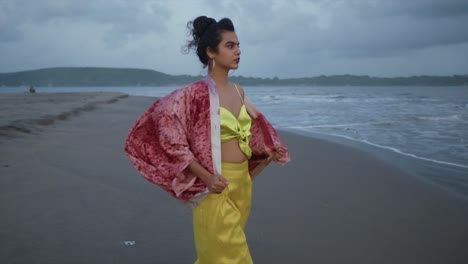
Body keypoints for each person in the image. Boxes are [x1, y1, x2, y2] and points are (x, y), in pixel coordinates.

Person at [124, 16, 290, 264]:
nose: (238, 51)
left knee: (215, 256)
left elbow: (252, 130)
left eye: (238, 45)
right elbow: (169, 134)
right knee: (233, 256)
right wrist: (206, 177)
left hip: (242, 184)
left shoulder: (238, 91)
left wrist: (266, 151)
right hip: (214, 186)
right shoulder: (194, 94)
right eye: (230, 46)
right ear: (211, 52)